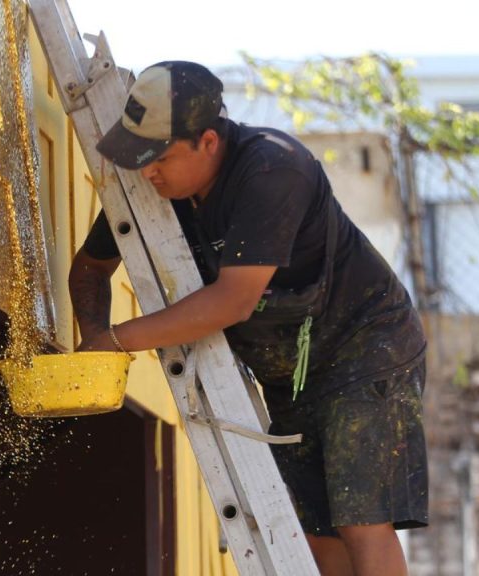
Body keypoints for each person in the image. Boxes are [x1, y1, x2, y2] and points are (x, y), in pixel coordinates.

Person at [69, 60, 428, 576]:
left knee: (361, 519)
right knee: (313, 529)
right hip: (291, 373)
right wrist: (94, 342)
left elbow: (232, 301)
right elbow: (89, 270)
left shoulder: (273, 169)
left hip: (366, 347)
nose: (147, 172)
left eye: (160, 157)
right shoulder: (154, 190)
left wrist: (118, 341)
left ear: (208, 141)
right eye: (138, 159)